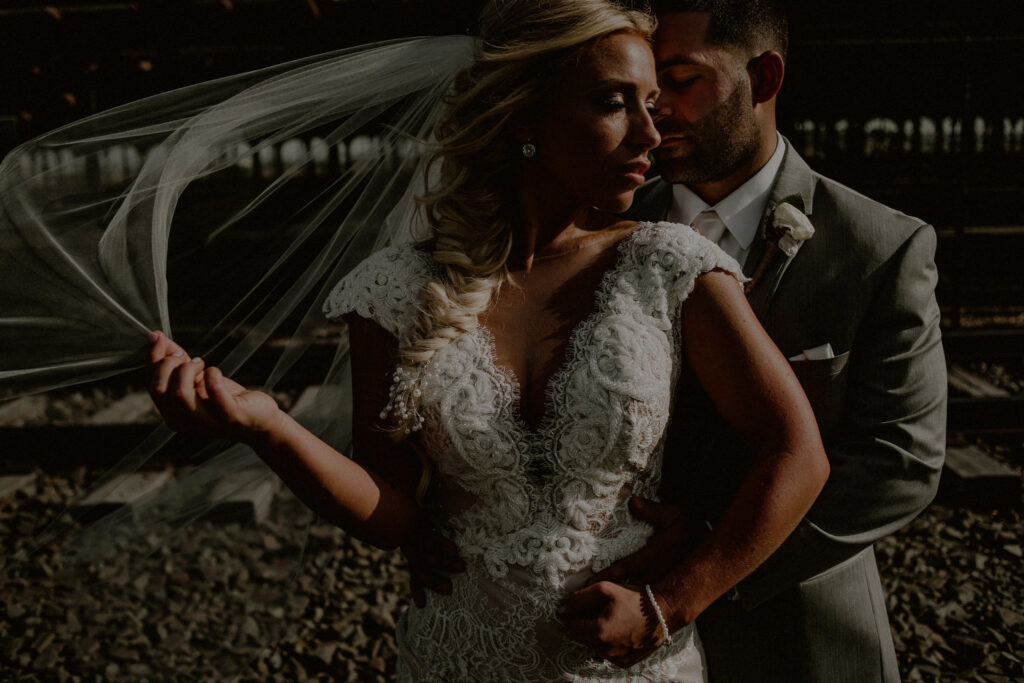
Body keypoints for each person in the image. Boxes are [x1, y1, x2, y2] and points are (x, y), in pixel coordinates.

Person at [145, 0, 830, 679]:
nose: (650, 134)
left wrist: (669, 605)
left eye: (652, 103)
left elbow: (797, 451)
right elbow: (393, 514)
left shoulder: (673, 265)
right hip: (456, 656)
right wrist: (267, 426)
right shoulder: (394, 289)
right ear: (525, 114)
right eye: (615, 103)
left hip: (627, 668)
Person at [584, 1, 947, 681]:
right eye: (648, 91)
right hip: (616, 626)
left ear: (767, 76)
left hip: (802, 628)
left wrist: (707, 571)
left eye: (682, 80)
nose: (657, 111)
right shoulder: (599, 229)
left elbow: (902, 461)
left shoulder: (882, 247)